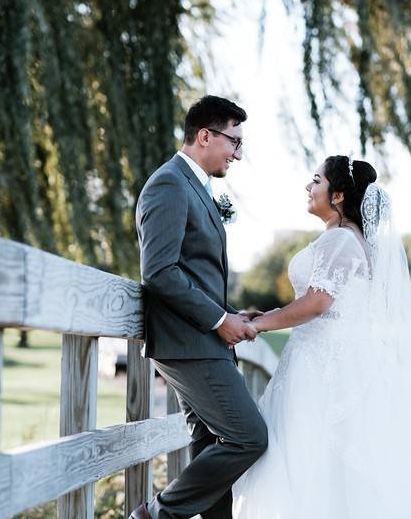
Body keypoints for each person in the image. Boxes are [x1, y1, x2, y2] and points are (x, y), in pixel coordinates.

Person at [231, 155, 411, 518]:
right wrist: (268, 315)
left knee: (313, 456)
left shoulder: (339, 240)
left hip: (323, 368)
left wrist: (258, 326)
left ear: (338, 195)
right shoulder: (349, 240)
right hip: (329, 358)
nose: (308, 188)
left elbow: (318, 302)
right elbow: (326, 303)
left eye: (316, 181)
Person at [132, 95, 268, 519]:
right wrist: (218, 318)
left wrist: (230, 312)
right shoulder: (169, 184)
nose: (239, 154)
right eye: (234, 141)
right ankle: (156, 514)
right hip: (187, 343)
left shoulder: (196, 187)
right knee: (249, 437)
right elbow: (160, 271)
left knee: (212, 444)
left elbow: (195, 270)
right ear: (205, 136)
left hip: (202, 340)